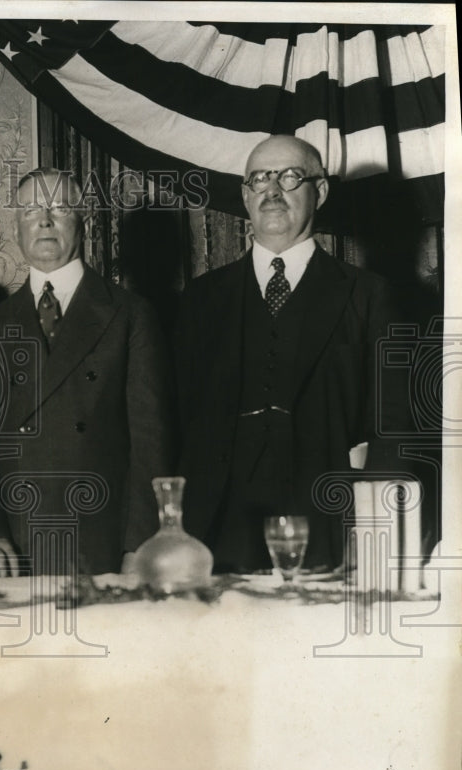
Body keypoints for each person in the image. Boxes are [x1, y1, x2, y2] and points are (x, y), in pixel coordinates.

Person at [175, 134, 407, 572]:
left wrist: (375, 531)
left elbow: (392, 427)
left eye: (290, 176)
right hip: (219, 531)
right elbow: (179, 423)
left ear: (319, 191)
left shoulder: (369, 295)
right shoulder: (201, 299)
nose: (272, 190)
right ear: (245, 196)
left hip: (330, 528)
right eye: (260, 179)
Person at [0, 167, 174, 577]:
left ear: (85, 219)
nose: (44, 220)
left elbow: (151, 443)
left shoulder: (130, 314)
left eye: (59, 208)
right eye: (30, 211)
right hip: (15, 545)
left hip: (101, 539)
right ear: (17, 226)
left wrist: (139, 545)